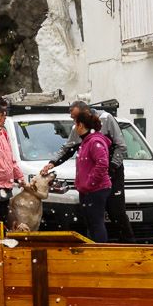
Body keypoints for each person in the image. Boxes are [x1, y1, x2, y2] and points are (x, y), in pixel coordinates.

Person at [46, 103, 134, 241]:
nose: (73, 122)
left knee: (116, 213)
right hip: (93, 180)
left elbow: (120, 147)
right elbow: (68, 148)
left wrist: (109, 169)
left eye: (75, 118)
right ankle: (94, 246)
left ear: (85, 115)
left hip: (111, 172)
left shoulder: (105, 120)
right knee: (92, 218)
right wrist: (52, 162)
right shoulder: (80, 130)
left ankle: (129, 246)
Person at [70, 110, 114, 242]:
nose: (74, 127)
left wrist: (90, 183)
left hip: (96, 190)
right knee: (90, 223)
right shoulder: (86, 141)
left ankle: (99, 250)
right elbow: (85, 166)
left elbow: (102, 164)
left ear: (81, 125)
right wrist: (80, 183)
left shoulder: (94, 142)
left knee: (96, 222)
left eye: (75, 124)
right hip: (87, 190)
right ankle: (92, 249)